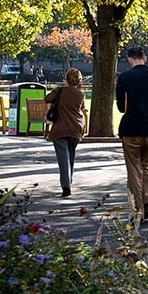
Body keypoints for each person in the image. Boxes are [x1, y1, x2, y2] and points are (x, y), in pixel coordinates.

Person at [115, 47, 148, 221]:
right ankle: (146, 202)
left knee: (134, 168)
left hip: (132, 127)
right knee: (146, 165)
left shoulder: (124, 78)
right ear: (144, 57)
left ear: (129, 59)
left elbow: (121, 107)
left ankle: (137, 208)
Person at [46, 68, 87, 197]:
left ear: (66, 79)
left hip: (60, 128)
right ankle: (69, 181)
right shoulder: (81, 94)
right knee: (71, 156)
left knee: (63, 159)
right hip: (76, 128)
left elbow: (46, 99)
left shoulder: (59, 91)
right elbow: (82, 108)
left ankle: (66, 186)